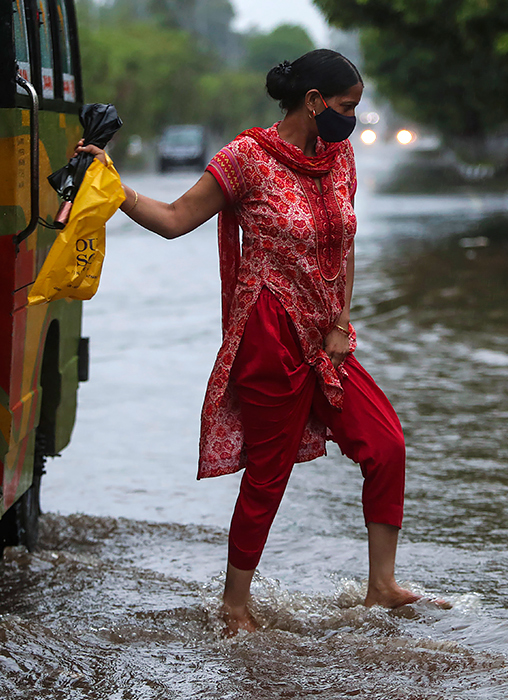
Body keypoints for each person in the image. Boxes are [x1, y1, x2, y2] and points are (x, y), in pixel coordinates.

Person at [77, 49, 420, 635]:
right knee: (269, 472)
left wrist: (341, 321)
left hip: (324, 335)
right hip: (269, 334)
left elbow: (345, 244)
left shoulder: (339, 160)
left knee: (385, 444)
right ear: (313, 103)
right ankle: (236, 604)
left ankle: (381, 586)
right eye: (345, 108)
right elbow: (176, 218)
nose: (352, 121)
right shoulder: (246, 160)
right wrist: (111, 187)